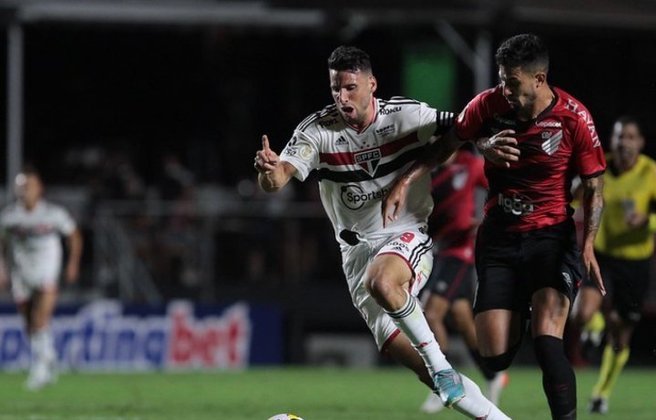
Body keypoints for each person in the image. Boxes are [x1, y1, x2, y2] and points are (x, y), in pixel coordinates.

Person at [253, 45, 509, 419]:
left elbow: (463, 127)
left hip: (406, 235)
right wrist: (267, 170)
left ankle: (439, 362)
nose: (342, 97)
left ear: (372, 84)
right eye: (335, 89)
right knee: (436, 380)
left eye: (350, 87)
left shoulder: (405, 116)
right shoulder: (318, 131)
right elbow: (276, 182)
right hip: (355, 256)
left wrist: (486, 143)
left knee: (384, 283)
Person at [384, 33, 606, 420]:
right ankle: (521, 300)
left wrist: (587, 245)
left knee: (547, 343)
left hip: (551, 237)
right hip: (500, 238)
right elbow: (445, 145)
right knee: (495, 355)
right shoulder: (488, 105)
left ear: (539, 79)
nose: (505, 89)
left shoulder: (575, 118)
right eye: (502, 79)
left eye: (513, 82)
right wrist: (407, 179)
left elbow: (594, 187)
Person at [569, 116, 656, 414]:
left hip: (636, 260)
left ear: (640, 142)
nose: (623, 142)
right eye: (618, 137)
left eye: (629, 136)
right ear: (610, 141)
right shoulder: (596, 168)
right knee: (582, 313)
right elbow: (569, 201)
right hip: (600, 254)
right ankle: (594, 326)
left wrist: (647, 221)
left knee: (621, 330)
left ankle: (601, 393)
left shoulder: (654, 173)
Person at [418, 147, 509, 414]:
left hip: (460, 251)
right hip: (439, 249)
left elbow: (500, 186)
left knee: (431, 314)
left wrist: (485, 220)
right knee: (461, 318)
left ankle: (441, 381)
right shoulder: (430, 170)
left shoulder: (471, 164)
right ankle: (493, 375)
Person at [0, 167, 83, 390]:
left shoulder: (53, 214)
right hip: (21, 274)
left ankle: (40, 368)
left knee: (40, 318)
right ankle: (49, 356)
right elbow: (2, 241)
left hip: (47, 270)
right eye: (22, 186)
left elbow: (74, 235)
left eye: (30, 186)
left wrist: (73, 263)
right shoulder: (9, 216)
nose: (25, 190)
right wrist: (2, 268)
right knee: (29, 324)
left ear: (40, 189)